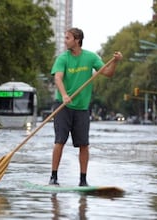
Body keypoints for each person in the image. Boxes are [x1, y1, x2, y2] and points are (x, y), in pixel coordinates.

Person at [49, 28, 123, 186]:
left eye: (68, 38)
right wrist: (64, 95)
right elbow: (58, 79)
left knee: (84, 144)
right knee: (59, 141)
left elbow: (108, 73)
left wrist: (115, 62)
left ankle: (83, 180)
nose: (65, 40)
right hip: (63, 105)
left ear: (77, 40)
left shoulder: (91, 57)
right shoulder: (62, 58)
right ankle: (53, 177)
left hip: (82, 108)